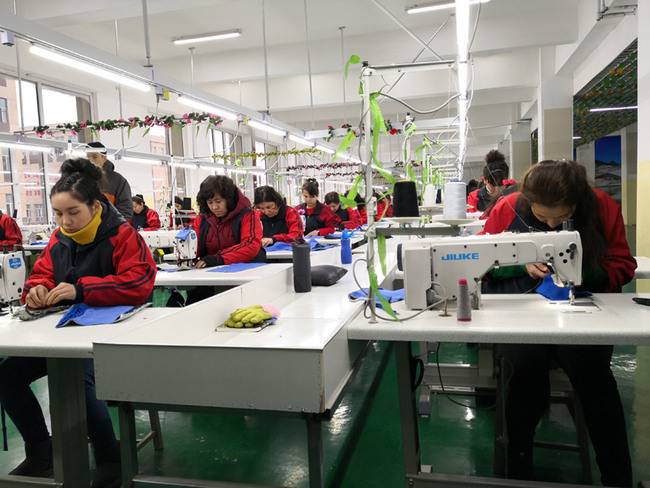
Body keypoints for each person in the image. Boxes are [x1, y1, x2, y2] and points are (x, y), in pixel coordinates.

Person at [0, 158, 156, 488]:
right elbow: (40, 273)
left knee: (79, 381)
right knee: (6, 375)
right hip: (63, 333)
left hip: (111, 337)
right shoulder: (58, 240)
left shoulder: (124, 236)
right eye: (58, 214)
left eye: (73, 212)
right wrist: (35, 290)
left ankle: (109, 454)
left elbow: (139, 283)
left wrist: (82, 289)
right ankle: (41, 449)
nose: (65, 221)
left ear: (94, 206)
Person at [481, 159, 636, 487]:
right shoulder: (508, 207)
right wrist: (520, 266)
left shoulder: (602, 207)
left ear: (578, 204)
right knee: (525, 374)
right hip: (522, 313)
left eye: (562, 217)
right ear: (527, 203)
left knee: (596, 380)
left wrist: (580, 272)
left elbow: (623, 265)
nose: (552, 224)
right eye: (542, 217)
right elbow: (482, 263)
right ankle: (519, 466)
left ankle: (617, 475)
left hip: (581, 311)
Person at [193, 175, 265, 267]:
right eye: (210, 202)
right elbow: (194, 244)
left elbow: (250, 245)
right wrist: (185, 259)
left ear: (229, 199)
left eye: (218, 201)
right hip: (212, 272)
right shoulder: (202, 219)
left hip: (248, 269)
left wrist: (218, 259)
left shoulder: (248, 215)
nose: (214, 207)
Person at [85, 142, 133, 221]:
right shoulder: (79, 180)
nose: (91, 161)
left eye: (95, 157)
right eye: (88, 157)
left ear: (104, 158)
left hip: (109, 231)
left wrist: (110, 227)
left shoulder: (118, 181)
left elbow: (125, 211)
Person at [467, 150, 516, 216]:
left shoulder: (514, 195)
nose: (497, 189)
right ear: (484, 180)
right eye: (492, 185)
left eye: (501, 184)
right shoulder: (474, 198)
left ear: (506, 178)